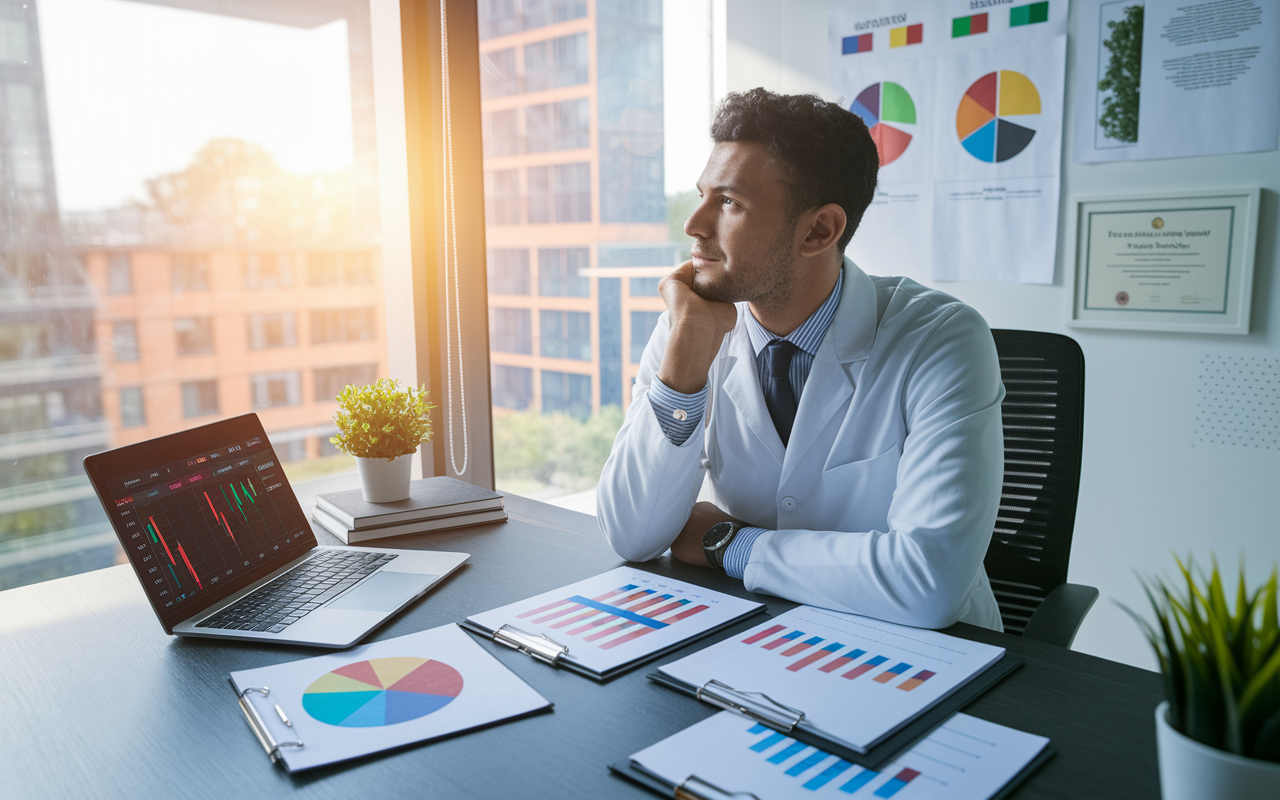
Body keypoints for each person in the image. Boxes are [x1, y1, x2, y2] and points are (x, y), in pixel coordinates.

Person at [596, 88, 1005, 631]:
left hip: (924, 657)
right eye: (702, 195)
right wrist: (681, 378)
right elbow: (631, 533)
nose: (694, 224)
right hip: (760, 636)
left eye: (729, 203)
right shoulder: (690, 325)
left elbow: (929, 584)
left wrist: (732, 543)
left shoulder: (943, 339)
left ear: (819, 230)